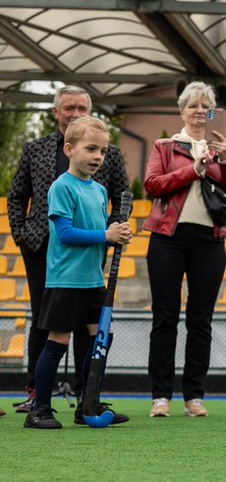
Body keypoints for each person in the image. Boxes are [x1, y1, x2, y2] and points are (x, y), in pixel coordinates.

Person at [8, 85, 128, 414]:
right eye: (91, 150)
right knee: (51, 334)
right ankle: (39, 405)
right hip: (58, 268)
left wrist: (117, 232)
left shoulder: (101, 184)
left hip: (91, 273)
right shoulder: (52, 173)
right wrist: (20, 234)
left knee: (97, 337)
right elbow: (30, 206)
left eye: (101, 152)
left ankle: (87, 402)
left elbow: (120, 199)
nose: (98, 157)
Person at [144, 81, 226, 418]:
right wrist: (194, 169)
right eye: (193, 106)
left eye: (206, 107)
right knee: (165, 318)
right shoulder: (164, 146)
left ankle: (194, 396)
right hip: (167, 239)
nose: (200, 111)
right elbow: (153, 185)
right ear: (182, 110)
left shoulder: (222, 147)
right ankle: (160, 396)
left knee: (200, 320)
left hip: (210, 241)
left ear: (212, 113)